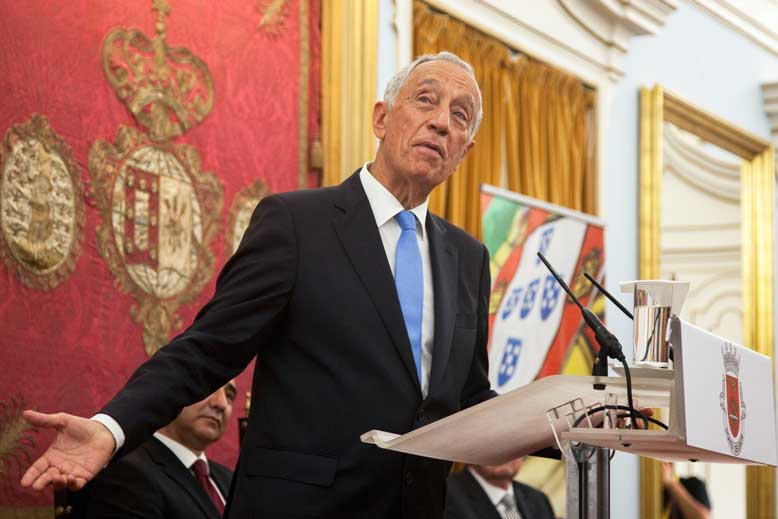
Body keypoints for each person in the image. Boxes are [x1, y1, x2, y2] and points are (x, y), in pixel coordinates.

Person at [21, 51, 496, 519]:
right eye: (425, 100)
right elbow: (209, 348)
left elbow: (469, 397)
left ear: (464, 151)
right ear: (381, 119)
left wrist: (545, 418)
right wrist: (111, 428)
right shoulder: (297, 223)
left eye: (459, 116)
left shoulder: (469, 259)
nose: (441, 123)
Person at [71, 381, 238, 518]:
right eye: (209, 387)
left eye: (229, 396)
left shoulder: (230, 479)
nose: (221, 403)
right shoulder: (128, 472)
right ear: (168, 393)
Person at [446, 459, 555, 519]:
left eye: (513, 442)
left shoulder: (538, 499)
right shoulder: (443, 495)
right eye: (491, 443)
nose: (504, 452)